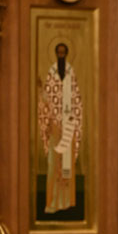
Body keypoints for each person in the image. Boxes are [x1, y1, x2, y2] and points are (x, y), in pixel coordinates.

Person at [38, 41, 83, 215]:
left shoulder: (71, 73)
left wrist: (73, 121)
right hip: (54, 128)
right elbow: (46, 99)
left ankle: (66, 202)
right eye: (59, 53)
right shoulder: (51, 73)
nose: (62, 56)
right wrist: (50, 121)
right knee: (53, 165)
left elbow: (76, 100)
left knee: (67, 167)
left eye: (64, 53)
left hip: (69, 127)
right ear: (56, 54)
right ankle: (53, 202)